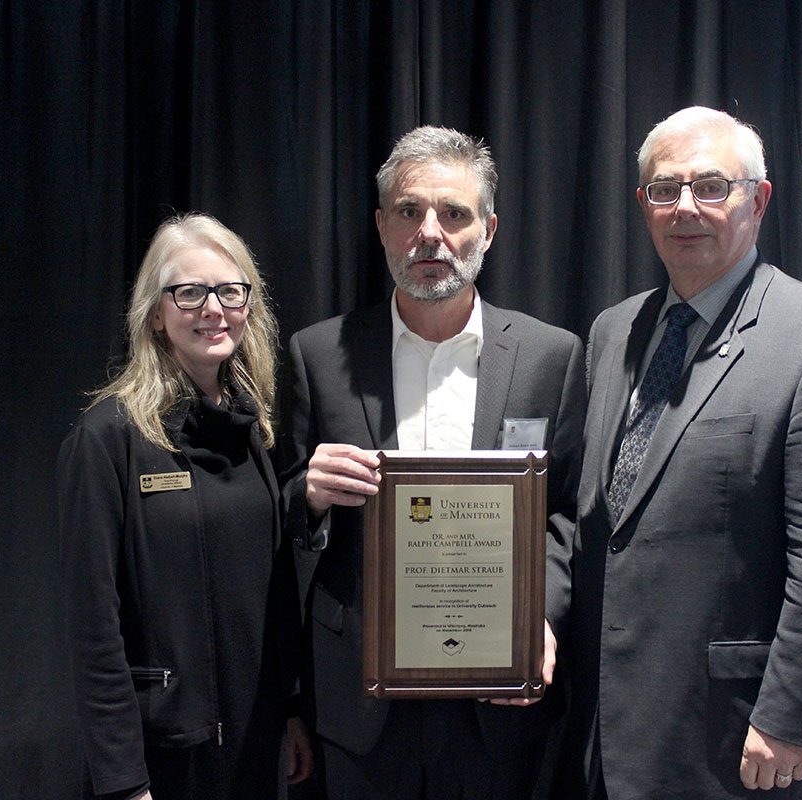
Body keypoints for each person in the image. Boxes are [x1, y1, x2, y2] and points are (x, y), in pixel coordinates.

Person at [562, 106, 802, 799]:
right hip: (610, 730)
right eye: (665, 188)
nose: (685, 206)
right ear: (644, 204)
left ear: (759, 199)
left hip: (743, 741)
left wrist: (794, 719)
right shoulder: (612, 332)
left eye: (711, 185)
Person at [279, 126, 585, 799]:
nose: (430, 234)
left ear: (490, 229)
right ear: (382, 226)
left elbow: (565, 511)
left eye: (454, 214)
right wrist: (309, 493)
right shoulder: (319, 355)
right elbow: (275, 512)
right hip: (360, 700)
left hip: (496, 699)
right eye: (410, 213)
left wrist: (540, 613)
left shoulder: (550, 357)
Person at [57, 213, 312, 800]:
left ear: (250, 306)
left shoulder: (255, 431)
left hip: (260, 742)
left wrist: (292, 707)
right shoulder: (108, 439)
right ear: (155, 314)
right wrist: (123, 782)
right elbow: (93, 630)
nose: (213, 309)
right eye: (190, 293)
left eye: (230, 290)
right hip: (166, 757)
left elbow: (271, 591)